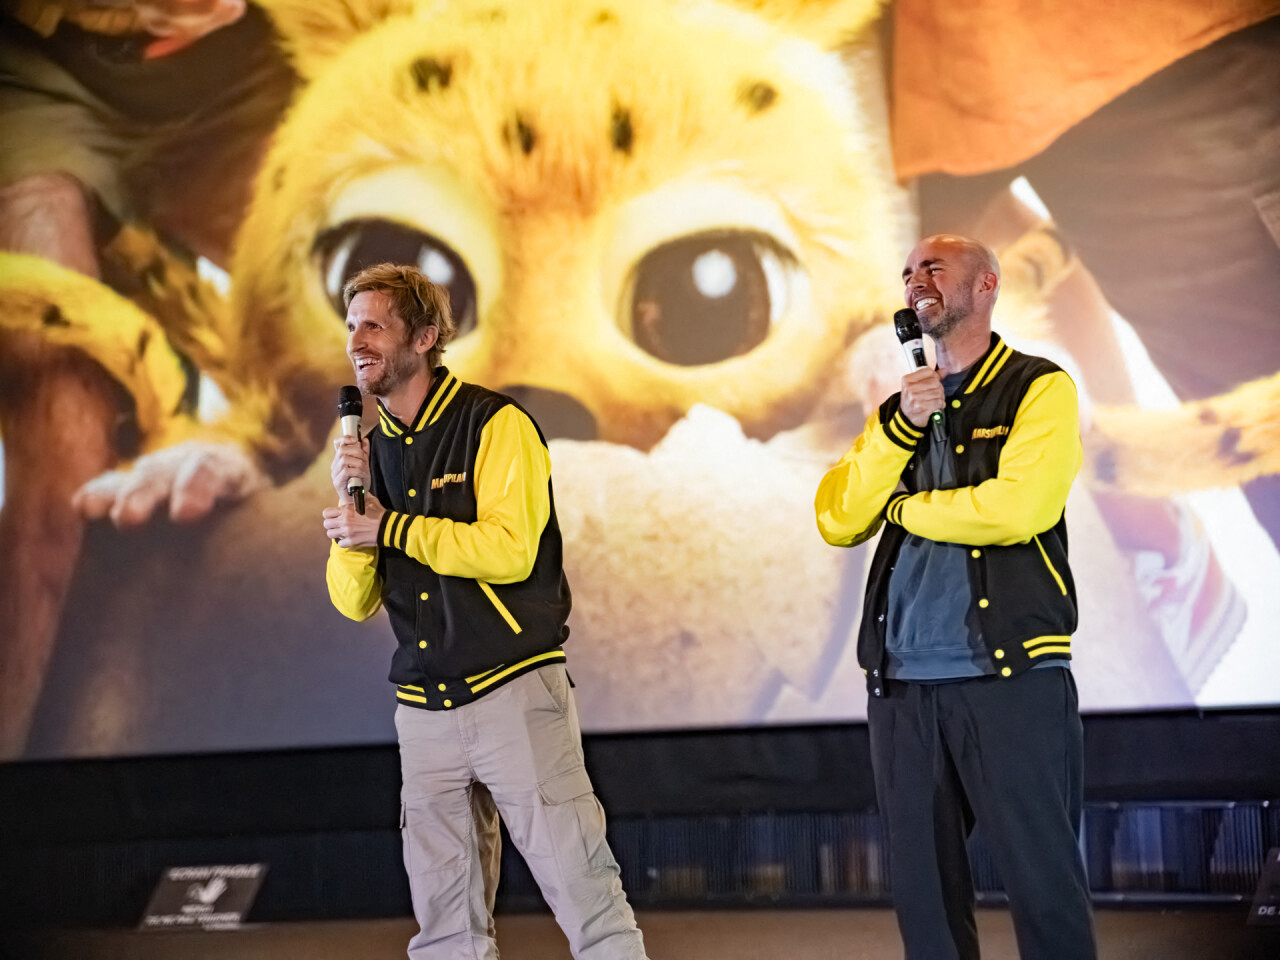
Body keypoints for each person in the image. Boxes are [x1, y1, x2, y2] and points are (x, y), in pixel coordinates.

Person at [323, 262, 648, 960]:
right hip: (422, 710)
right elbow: (353, 601)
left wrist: (391, 527)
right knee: (444, 929)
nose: (357, 340)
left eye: (374, 324)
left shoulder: (495, 424)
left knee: (586, 898)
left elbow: (509, 552)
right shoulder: (365, 453)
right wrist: (355, 513)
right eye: (351, 326)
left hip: (512, 689)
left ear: (426, 336)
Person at [815, 235, 1096, 959]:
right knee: (926, 899)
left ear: (986, 286)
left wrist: (904, 511)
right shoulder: (897, 410)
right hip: (903, 685)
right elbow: (838, 518)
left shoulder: (1040, 386)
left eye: (934, 267)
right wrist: (900, 430)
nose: (915, 280)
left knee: (1044, 883)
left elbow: (1016, 510)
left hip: (1010, 678)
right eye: (907, 270)